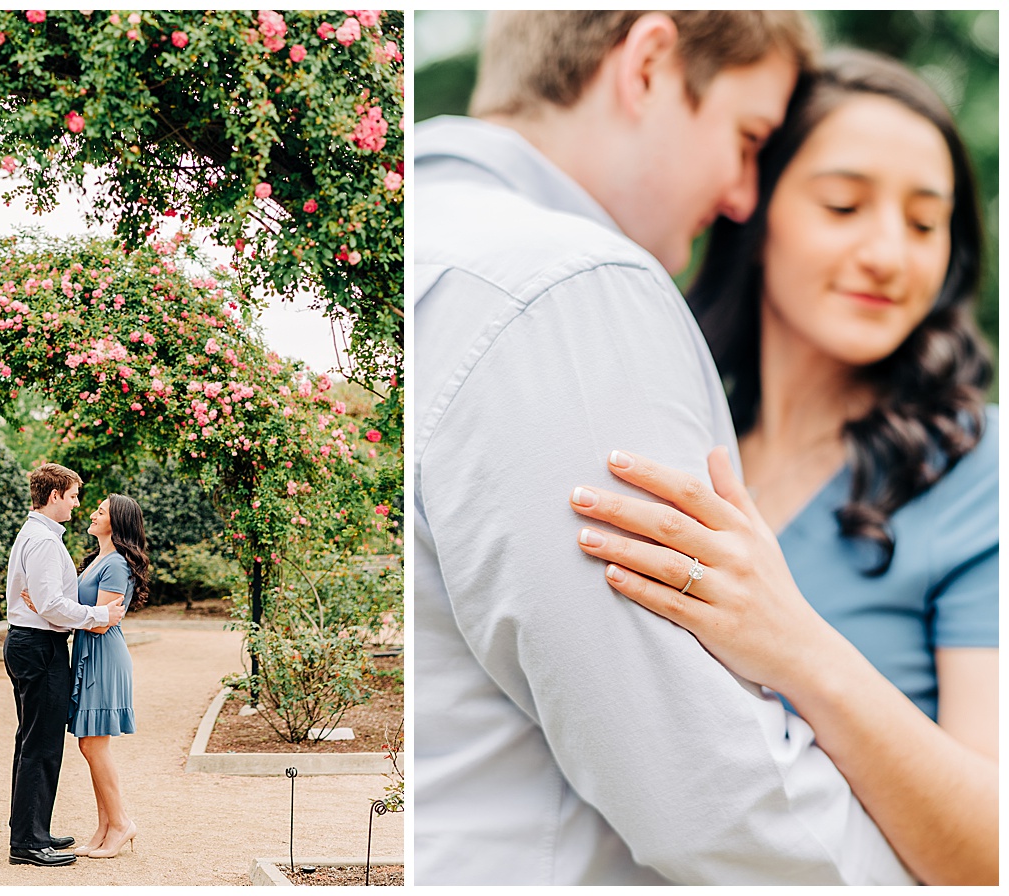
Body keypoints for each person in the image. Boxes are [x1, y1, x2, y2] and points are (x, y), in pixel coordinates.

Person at [415, 11, 916, 885]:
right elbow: (719, 797)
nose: (742, 200)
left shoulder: (431, 242)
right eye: (748, 137)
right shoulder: (568, 286)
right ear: (646, 64)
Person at [570, 50, 997, 885]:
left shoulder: (980, 472)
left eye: (923, 223)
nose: (888, 254)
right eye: (844, 205)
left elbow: (994, 853)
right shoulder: (675, 434)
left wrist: (798, 648)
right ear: (754, 212)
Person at [4, 463, 126, 868]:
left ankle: (32, 829)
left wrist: (54, 608)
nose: (78, 503)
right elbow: (52, 606)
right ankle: (26, 842)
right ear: (54, 495)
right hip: (39, 646)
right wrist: (98, 616)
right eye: (73, 495)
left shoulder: (40, 536)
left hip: (37, 643)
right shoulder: (43, 541)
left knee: (33, 742)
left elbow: (50, 602)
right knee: (40, 745)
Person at [63, 494, 148, 858]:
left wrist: (56, 612)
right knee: (89, 744)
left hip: (103, 656)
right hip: (91, 654)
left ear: (117, 522)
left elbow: (99, 624)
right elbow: (91, 614)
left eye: (101, 511)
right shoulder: (99, 559)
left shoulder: (115, 564)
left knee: (93, 745)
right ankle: (104, 827)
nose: (93, 514)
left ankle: (121, 823)